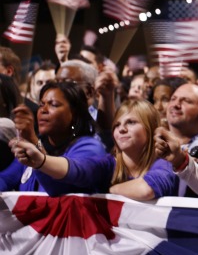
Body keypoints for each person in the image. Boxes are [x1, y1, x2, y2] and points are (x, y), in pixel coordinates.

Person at [13, 99, 178, 200]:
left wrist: (108, 192)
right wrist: (42, 161)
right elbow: (79, 169)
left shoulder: (164, 164)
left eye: (131, 122)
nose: (121, 129)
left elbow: (146, 190)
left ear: (151, 129)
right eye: (117, 125)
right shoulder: (107, 164)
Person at [3, 82, 107, 195]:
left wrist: (33, 141)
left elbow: (58, 190)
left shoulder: (90, 148)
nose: (43, 110)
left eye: (54, 105)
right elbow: (6, 178)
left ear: (74, 113)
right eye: (41, 104)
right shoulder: (39, 143)